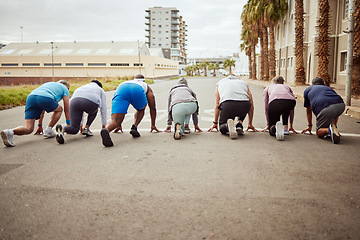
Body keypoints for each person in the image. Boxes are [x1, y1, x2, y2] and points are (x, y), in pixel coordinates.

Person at [1, 80, 70, 147]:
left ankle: (10, 132)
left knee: (29, 128)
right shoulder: (64, 88)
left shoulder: (48, 86)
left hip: (31, 98)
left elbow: (42, 110)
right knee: (59, 109)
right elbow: (67, 109)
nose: (68, 91)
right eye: (68, 88)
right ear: (63, 83)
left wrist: (40, 125)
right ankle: (48, 130)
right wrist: (68, 125)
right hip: (45, 97)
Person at [100, 74, 160, 147]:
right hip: (137, 89)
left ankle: (107, 129)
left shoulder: (127, 82)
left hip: (122, 88)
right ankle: (134, 126)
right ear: (144, 80)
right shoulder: (145, 85)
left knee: (115, 119)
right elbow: (152, 107)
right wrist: (153, 124)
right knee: (141, 109)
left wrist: (119, 124)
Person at [55, 80, 107, 144]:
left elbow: (80, 109)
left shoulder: (81, 87)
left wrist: (80, 124)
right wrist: (104, 126)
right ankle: (86, 128)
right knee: (95, 109)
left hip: (74, 102)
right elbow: (103, 108)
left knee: (74, 129)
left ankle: (62, 129)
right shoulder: (100, 89)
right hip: (90, 102)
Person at [208, 74, 257, 139]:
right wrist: (250, 124)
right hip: (244, 104)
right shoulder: (244, 83)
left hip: (228, 104)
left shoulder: (220, 83)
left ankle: (227, 126)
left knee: (222, 128)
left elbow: (217, 104)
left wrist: (215, 123)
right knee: (242, 104)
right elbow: (251, 104)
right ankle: (239, 124)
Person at [301, 77, 345, 144]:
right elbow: (335, 103)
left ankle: (330, 130)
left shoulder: (308, 90)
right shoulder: (328, 88)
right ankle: (334, 127)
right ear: (323, 83)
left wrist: (309, 126)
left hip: (325, 109)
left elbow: (308, 110)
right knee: (335, 113)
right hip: (341, 106)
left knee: (319, 133)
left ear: (312, 84)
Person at [263, 76, 298, 140]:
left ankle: (275, 128)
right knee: (286, 108)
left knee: (271, 128)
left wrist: (268, 124)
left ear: (273, 82)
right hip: (290, 103)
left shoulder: (268, 87)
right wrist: (291, 125)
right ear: (283, 82)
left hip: (275, 103)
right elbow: (291, 110)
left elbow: (266, 107)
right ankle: (285, 127)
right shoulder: (287, 87)